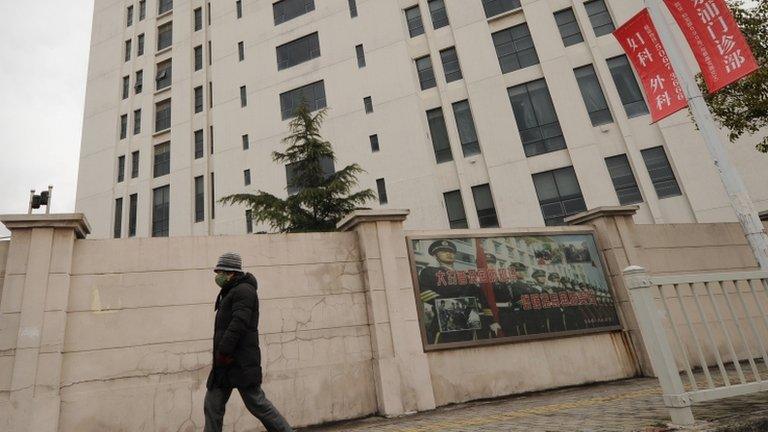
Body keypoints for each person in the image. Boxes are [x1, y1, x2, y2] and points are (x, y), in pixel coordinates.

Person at [204, 252, 293, 432]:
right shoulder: (230, 291)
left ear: (231, 272)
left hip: (239, 360)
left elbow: (239, 322)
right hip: (224, 362)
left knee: (257, 404)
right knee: (212, 406)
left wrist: (224, 351)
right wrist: (222, 355)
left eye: (220, 271)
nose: (217, 276)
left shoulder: (244, 290)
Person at [417, 240, 501, 344]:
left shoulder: (464, 276)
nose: (449, 254)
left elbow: (481, 298)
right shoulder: (430, 272)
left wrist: (491, 321)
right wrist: (454, 304)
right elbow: (424, 293)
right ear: (435, 256)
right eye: (443, 251)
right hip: (446, 320)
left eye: (451, 252)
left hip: (471, 321)